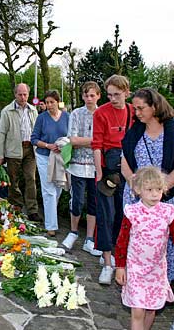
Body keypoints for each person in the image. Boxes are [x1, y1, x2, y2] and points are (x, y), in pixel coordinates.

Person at [114, 166, 174, 330]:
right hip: (135, 269)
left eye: (158, 189)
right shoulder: (132, 212)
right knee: (138, 311)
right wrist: (120, 266)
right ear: (138, 190)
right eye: (149, 190)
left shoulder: (168, 212)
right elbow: (122, 241)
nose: (155, 194)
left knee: (152, 309)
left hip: (157, 270)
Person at [121, 88, 174, 282]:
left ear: (154, 106)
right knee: (139, 242)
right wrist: (134, 185)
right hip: (137, 198)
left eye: (141, 108)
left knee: (165, 243)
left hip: (167, 196)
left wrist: (158, 191)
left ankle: (163, 285)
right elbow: (125, 162)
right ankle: (138, 284)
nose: (137, 113)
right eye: (135, 109)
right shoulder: (134, 132)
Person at [91, 74, 134, 285]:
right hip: (108, 170)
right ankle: (107, 263)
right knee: (105, 215)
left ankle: (117, 255)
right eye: (109, 95)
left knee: (122, 215)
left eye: (117, 95)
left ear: (126, 92)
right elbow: (96, 144)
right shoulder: (101, 113)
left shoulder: (133, 112)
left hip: (127, 170)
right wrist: (99, 172)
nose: (113, 99)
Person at [61, 81, 102, 256]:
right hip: (78, 166)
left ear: (98, 96)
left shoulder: (102, 114)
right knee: (77, 200)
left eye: (92, 95)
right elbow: (73, 140)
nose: (89, 98)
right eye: (86, 95)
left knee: (93, 202)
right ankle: (73, 232)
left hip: (96, 165)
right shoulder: (76, 113)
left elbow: (100, 140)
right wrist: (95, 141)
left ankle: (90, 239)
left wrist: (83, 141)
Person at [0, 83, 41, 222]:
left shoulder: (33, 110)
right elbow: (2, 134)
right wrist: (0, 155)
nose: (23, 97)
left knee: (31, 179)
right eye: (20, 94)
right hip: (13, 149)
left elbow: (37, 130)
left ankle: (33, 210)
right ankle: (16, 207)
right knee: (13, 180)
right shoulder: (7, 111)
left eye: (25, 94)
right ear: (15, 94)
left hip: (30, 149)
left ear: (28, 94)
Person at [31, 90, 70, 237]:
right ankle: (51, 226)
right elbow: (34, 139)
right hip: (44, 157)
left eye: (51, 102)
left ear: (57, 102)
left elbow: (72, 136)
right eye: (46, 102)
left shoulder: (67, 117)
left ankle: (51, 217)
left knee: (58, 189)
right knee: (49, 191)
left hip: (61, 158)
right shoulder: (41, 118)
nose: (49, 105)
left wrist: (64, 145)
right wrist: (48, 145)